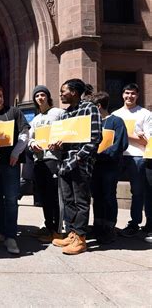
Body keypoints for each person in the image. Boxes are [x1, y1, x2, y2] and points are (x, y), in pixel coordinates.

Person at [51, 78, 102, 255]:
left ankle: (80, 238)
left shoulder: (90, 108)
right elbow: (65, 141)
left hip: (80, 163)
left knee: (81, 201)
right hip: (65, 164)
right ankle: (72, 233)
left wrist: (78, 159)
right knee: (69, 201)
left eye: (63, 90)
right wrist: (57, 146)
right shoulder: (65, 114)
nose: (61, 94)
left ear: (73, 92)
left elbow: (95, 138)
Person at [0, 84, 30, 254]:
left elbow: (25, 133)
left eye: (1, 95)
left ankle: (11, 236)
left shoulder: (13, 112)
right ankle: (0, 231)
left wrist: (16, 153)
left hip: (10, 164)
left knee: (11, 199)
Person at [111, 83, 151, 237]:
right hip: (118, 156)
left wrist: (125, 134)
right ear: (122, 95)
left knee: (138, 192)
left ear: (138, 95)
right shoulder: (116, 114)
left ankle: (134, 224)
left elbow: (146, 141)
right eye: (127, 93)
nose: (130, 96)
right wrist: (135, 135)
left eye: (133, 93)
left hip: (137, 157)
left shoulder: (145, 114)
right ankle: (110, 224)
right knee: (110, 191)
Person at [89, 92, 129, 244]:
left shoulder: (116, 121)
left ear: (98, 106)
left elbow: (121, 144)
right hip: (95, 166)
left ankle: (109, 228)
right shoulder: (94, 123)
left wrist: (102, 155)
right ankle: (98, 226)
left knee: (108, 196)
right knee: (97, 196)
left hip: (110, 167)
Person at [28, 85, 65, 243]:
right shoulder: (35, 120)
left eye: (42, 95)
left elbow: (67, 132)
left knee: (54, 196)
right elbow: (30, 138)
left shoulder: (59, 113)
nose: (40, 98)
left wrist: (60, 141)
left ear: (48, 97)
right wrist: (32, 144)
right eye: (37, 96)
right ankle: (48, 226)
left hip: (54, 159)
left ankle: (58, 229)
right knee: (43, 197)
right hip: (39, 160)